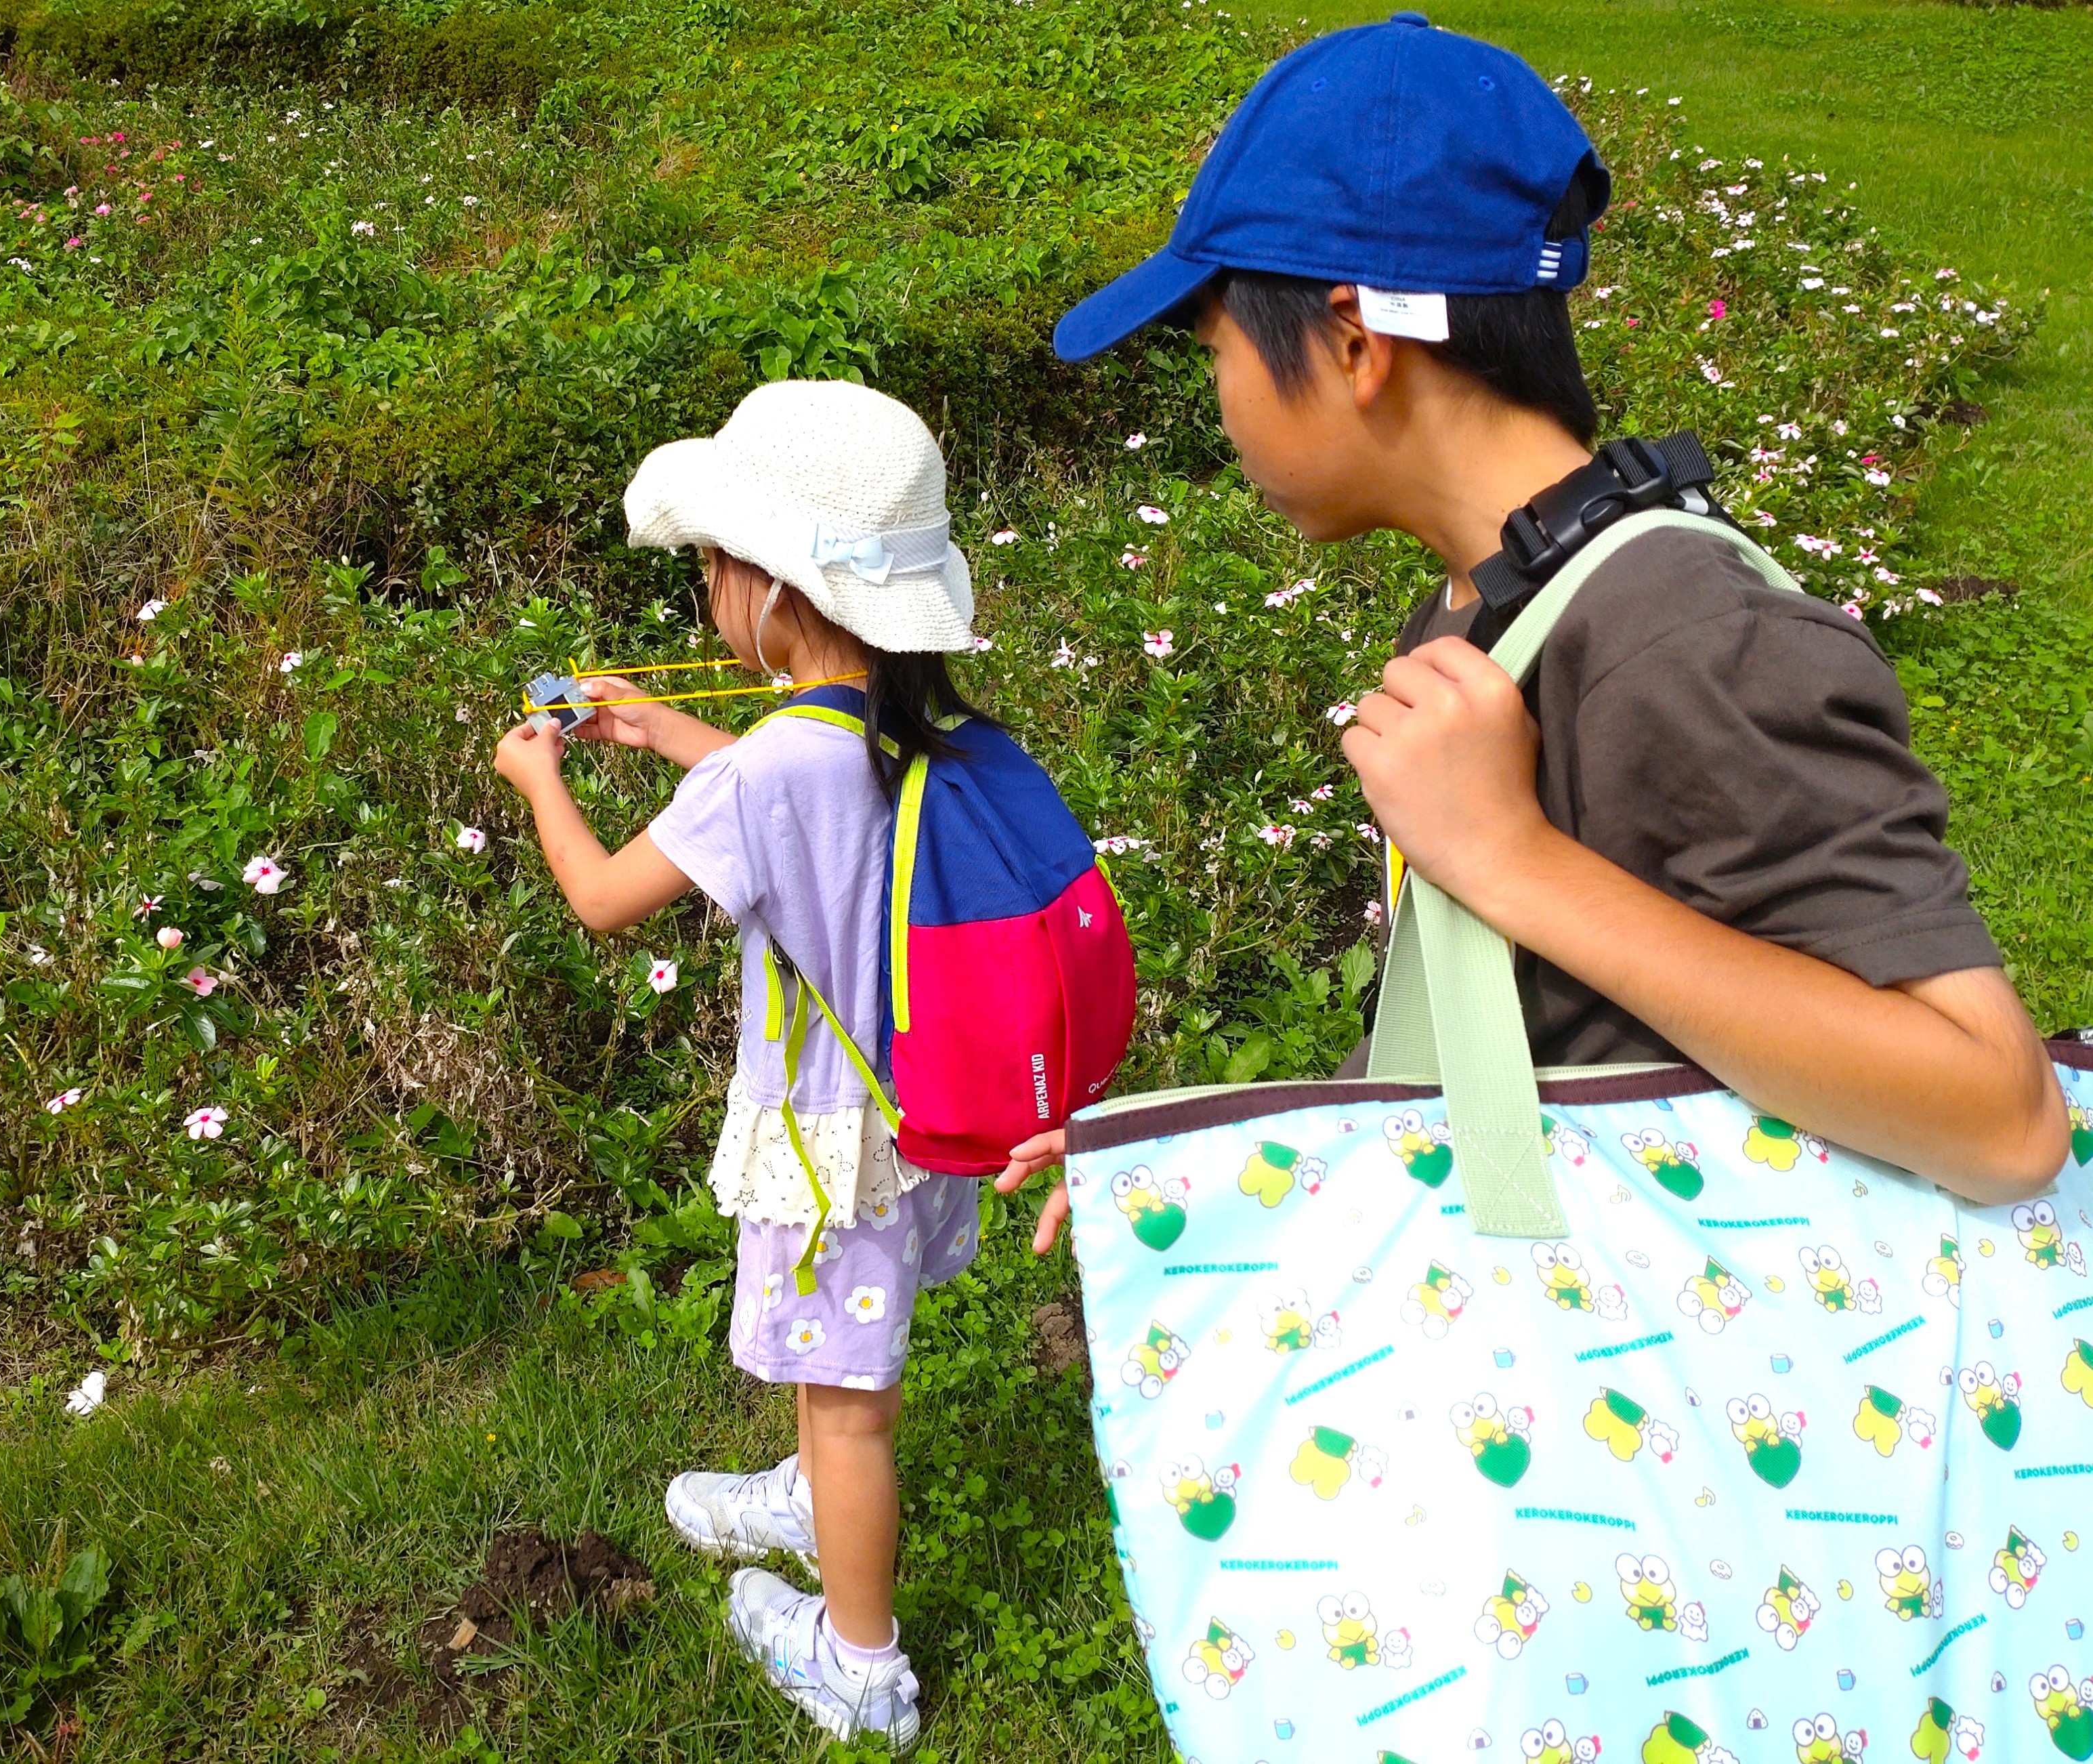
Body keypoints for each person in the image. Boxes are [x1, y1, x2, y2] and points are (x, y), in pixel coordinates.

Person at [998, 12, 2068, 1240]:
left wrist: (1512, 859)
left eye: (1216, 352)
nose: (1223, 405)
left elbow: (2001, 1118)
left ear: (1354, 341)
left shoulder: (1685, 632)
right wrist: (1203, 1162)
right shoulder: (1493, 597)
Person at [493, 378, 990, 1752]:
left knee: (851, 1405)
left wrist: (541, 781)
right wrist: (670, 734)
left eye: (713, 563)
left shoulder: (763, 775)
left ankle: (860, 1668)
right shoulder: (896, 722)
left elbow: (603, 897)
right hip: (910, 1110)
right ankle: (813, 1497)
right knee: (846, 1368)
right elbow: (792, 795)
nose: (707, 585)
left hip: (824, 1143)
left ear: (770, 589)